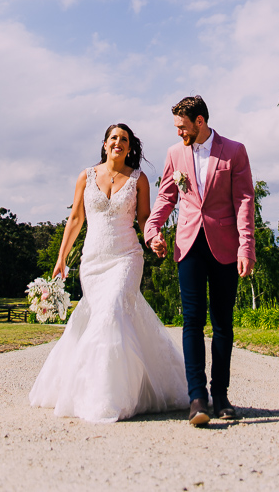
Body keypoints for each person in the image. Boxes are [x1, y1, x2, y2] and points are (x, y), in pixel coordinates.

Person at [29, 123, 189, 423]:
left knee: (112, 311)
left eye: (124, 139)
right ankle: (91, 388)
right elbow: (76, 217)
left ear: (130, 147)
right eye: (113, 138)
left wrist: (153, 237)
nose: (118, 142)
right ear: (105, 144)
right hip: (93, 261)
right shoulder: (86, 176)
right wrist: (62, 257)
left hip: (126, 258)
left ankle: (109, 397)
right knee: (100, 316)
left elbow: (143, 219)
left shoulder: (139, 180)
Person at [144, 96, 256, 426]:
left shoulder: (234, 151)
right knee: (192, 320)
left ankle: (220, 396)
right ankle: (197, 398)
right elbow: (166, 196)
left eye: (182, 127)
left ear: (200, 122)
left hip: (225, 245)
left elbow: (245, 201)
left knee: (223, 323)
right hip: (189, 244)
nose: (179, 133)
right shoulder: (175, 154)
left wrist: (245, 248)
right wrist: (153, 231)